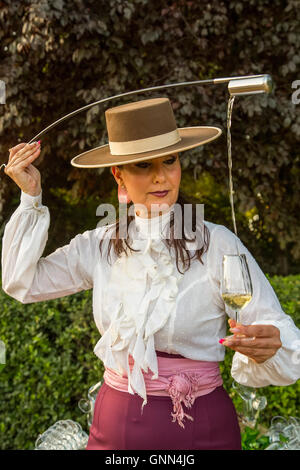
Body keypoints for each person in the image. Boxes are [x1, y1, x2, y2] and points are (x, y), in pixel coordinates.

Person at [1, 98, 300, 451]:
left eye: (170, 161)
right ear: (118, 174)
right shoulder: (98, 245)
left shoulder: (220, 244)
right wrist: (30, 197)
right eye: (144, 165)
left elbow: (275, 329)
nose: (161, 176)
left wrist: (268, 344)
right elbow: (23, 282)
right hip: (115, 428)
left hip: (204, 429)